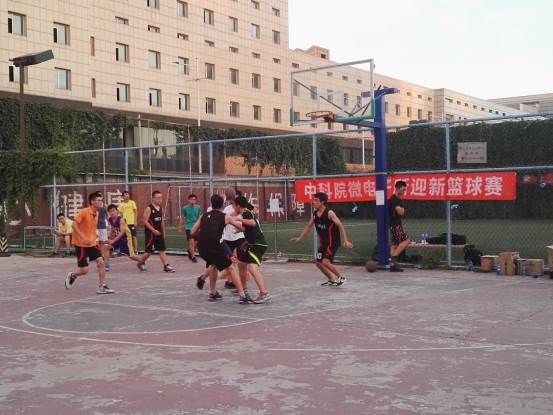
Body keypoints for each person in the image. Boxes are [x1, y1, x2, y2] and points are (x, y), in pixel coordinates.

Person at [191, 194, 253, 303]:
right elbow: (241, 228)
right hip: (215, 246)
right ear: (222, 205)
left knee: (214, 265)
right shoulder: (225, 216)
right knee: (231, 267)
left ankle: (212, 293)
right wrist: (247, 224)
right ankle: (243, 295)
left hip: (202, 248)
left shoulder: (203, 215)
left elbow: (192, 231)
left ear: (211, 204)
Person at [290, 192, 353, 286]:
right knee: (318, 263)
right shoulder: (315, 214)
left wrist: (345, 240)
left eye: (316, 200)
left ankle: (341, 278)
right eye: (313, 200)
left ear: (322, 202)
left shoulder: (329, 213)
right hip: (323, 243)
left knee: (325, 262)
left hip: (332, 242)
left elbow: (340, 225)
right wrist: (299, 238)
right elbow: (308, 226)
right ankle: (331, 279)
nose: (313, 202)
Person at [64, 191, 114, 294]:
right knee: (84, 270)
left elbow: (91, 228)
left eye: (101, 200)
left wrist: (97, 239)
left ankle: (102, 286)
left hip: (92, 244)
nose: (101, 202)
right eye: (99, 200)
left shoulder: (97, 213)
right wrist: (83, 237)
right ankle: (73, 275)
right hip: (81, 245)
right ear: (92, 201)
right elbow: (74, 225)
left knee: (101, 262)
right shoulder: (84, 212)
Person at [234, 195, 270, 304]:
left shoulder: (246, 213)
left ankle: (264, 293)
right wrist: (235, 226)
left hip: (258, 244)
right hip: (251, 244)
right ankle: (244, 292)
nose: (233, 207)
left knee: (251, 267)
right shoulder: (245, 214)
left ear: (238, 205)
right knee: (241, 264)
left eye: (234, 205)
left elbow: (253, 223)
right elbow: (245, 228)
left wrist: (238, 219)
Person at [136, 190, 175, 273]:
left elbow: (161, 221)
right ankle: (140, 262)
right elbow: (145, 221)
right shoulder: (149, 208)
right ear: (153, 198)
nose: (160, 199)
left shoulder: (161, 208)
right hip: (151, 234)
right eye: (158, 197)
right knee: (149, 252)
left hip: (159, 233)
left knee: (162, 250)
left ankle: (166, 266)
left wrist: (163, 232)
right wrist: (153, 230)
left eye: (161, 197)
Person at [102, 204, 142, 269]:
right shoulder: (110, 219)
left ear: (117, 211)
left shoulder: (121, 219)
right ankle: (106, 265)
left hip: (126, 239)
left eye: (113, 210)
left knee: (131, 256)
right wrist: (110, 238)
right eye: (110, 211)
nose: (112, 212)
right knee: (105, 247)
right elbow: (112, 229)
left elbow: (122, 232)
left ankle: (142, 261)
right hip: (118, 238)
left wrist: (113, 240)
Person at [389, 180, 411, 272]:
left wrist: (402, 208)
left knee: (395, 244)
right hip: (395, 225)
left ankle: (392, 265)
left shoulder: (396, 199)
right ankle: (394, 259)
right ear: (397, 188)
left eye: (405, 190)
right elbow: (401, 212)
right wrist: (402, 209)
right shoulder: (395, 199)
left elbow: (400, 211)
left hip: (394, 224)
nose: (404, 191)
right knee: (406, 241)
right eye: (403, 189)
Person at [178, 194, 201, 263]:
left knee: (196, 243)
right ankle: (193, 257)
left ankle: (189, 250)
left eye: (194, 199)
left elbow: (199, 217)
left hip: (196, 226)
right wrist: (180, 227)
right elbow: (183, 218)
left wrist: (200, 226)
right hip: (188, 227)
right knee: (191, 241)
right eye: (191, 199)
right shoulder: (185, 208)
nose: (193, 201)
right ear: (188, 200)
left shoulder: (198, 207)